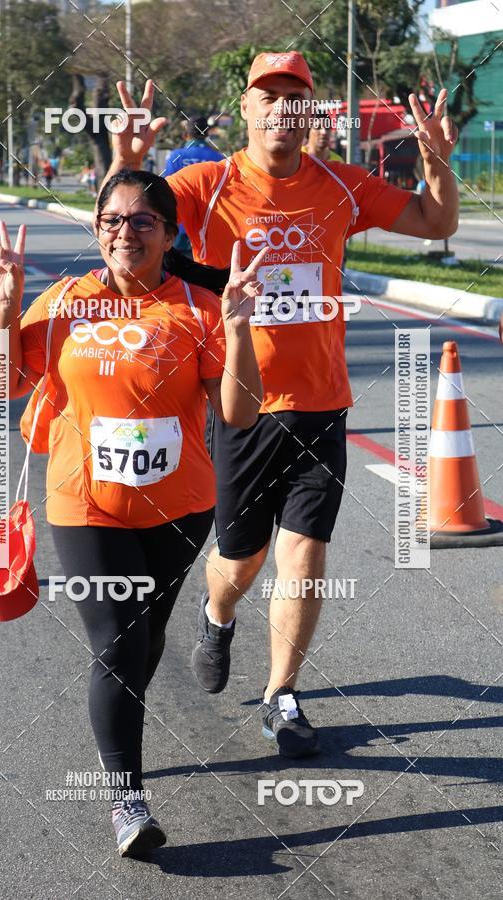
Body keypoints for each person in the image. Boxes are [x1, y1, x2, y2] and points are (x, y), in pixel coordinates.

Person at [102, 52, 459, 759]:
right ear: (246, 108)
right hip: (240, 404)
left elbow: (434, 220)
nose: (282, 109)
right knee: (240, 559)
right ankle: (217, 612)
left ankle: (282, 694)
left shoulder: (341, 185)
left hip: (321, 404)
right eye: (268, 96)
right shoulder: (208, 183)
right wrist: (127, 159)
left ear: (309, 112)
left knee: (304, 552)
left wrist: (437, 161)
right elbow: (124, 227)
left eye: (295, 96)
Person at [0, 170, 265, 855]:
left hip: (179, 508)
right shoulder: (65, 301)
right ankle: (126, 799)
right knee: (116, 642)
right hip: (85, 503)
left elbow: (240, 412)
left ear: (170, 235)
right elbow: (3, 384)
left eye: (143, 221)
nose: (125, 232)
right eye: (112, 220)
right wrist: (5, 307)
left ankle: (119, 722)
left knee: (145, 639)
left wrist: (239, 327)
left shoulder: (198, 307)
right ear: (97, 229)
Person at [164, 116, 224, 255]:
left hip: (180, 228)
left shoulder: (175, 156)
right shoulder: (219, 158)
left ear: (186, 134)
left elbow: (166, 191)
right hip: (211, 227)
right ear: (207, 134)